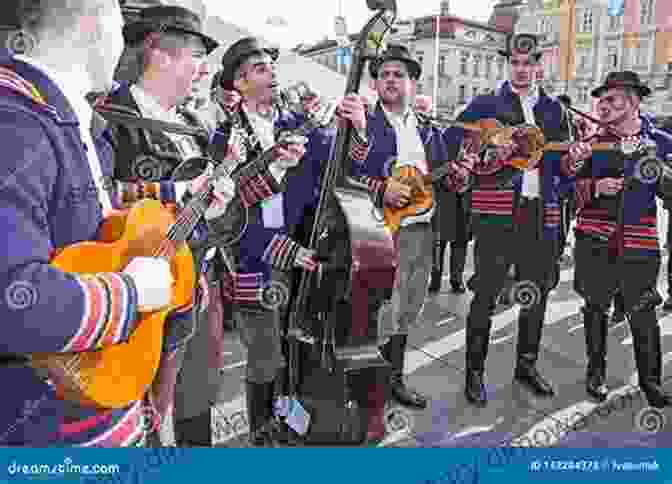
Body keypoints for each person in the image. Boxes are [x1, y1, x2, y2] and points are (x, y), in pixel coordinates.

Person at [0, 0, 172, 446]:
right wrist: (131, 295)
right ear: (95, 23)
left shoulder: (54, 113)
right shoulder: (15, 122)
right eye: (119, 24)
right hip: (43, 429)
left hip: (82, 407)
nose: (123, 46)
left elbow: (86, 212)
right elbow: (11, 299)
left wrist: (175, 197)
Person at [210, 37, 371, 446]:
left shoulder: (293, 123)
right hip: (254, 262)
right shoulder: (225, 137)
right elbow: (229, 218)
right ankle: (261, 433)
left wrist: (355, 127)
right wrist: (289, 252)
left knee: (292, 347)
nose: (272, 73)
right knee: (265, 356)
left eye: (271, 65)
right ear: (239, 82)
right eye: (260, 68)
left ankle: (288, 418)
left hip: (302, 248)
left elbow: (339, 163)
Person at [100, 5, 238, 446]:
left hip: (198, 281)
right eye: (196, 56)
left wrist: (218, 198)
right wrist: (171, 193)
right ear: (159, 52)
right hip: (141, 298)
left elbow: (208, 198)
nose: (203, 70)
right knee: (144, 414)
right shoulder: (108, 117)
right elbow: (101, 195)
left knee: (195, 399)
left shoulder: (195, 125)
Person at [448, 34, 590, 407]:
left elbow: (562, 167)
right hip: (496, 212)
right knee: (485, 293)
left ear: (539, 64)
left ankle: (526, 365)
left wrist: (573, 162)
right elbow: (453, 141)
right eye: (515, 62)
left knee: (536, 292)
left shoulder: (555, 110)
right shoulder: (486, 104)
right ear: (508, 64)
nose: (522, 69)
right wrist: (488, 151)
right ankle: (474, 372)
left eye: (528, 63)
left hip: (539, 213)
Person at [354, 45, 473, 414]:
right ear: (375, 84)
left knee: (407, 309)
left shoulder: (428, 128)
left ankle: (394, 379)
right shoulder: (362, 125)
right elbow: (338, 174)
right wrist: (380, 187)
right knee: (377, 310)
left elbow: (441, 177)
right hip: (377, 232)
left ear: (412, 82)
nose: (391, 79)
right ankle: (367, 387)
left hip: (422, 231)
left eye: (398, 74)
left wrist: (459, 176)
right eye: (384, 74)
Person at [573, 71, 672, 406]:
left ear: (633, 102)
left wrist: (650, 162)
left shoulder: (659, 141)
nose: (602, 105)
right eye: (600, 99)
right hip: (594, 241)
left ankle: (651, 381)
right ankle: (596, 372)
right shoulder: (590, 144)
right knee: (595, 308)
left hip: (639, 243)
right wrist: (593, 188)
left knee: (643, 312)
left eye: (612, 99)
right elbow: (564, 191)